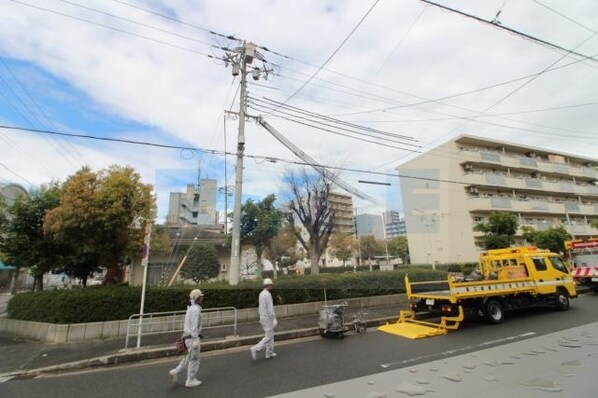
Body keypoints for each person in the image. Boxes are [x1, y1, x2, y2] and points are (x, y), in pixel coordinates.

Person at [169, 289, 204, 388]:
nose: (202, 298)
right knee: (194, 359)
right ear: (197, 298)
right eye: (200, 296)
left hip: (186, 336)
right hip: (192, 338)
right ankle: (190, 379)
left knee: (189, 357)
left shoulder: (191, 308)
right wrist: (196, 338)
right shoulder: (196, 310)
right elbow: (194, 326)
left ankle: (175, 371)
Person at [250, 278, 278, 360]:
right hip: (268, 318)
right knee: (269, 336)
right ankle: (256, 348)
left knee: (270, 335)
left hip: (262, 317)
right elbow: (270, 308)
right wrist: (274, 318)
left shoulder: (261, 293)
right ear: (268, 285)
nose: (272, 286)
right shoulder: (268, 295)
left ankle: (269, 353)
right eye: (271, 285)